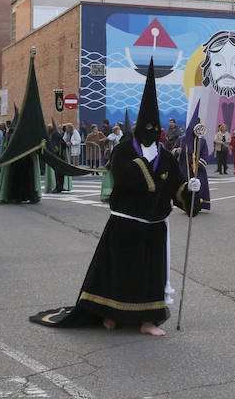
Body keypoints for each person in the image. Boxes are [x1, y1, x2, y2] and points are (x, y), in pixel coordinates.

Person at [30, 60, 199, 336]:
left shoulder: (167, 157)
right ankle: (110, 314)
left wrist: (189, 191)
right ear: (138, 127)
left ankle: (147, 321)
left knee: (149, 275)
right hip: (125, 223)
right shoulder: (123, 152)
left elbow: (175, 187)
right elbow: (127, 179)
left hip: (155, 226)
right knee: (118, 273)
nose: (151, 132)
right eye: (147, 126)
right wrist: (156, 182)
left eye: (156, 128)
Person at [174, 109, 211, 213]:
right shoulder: (182, 139)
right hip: (184, 169)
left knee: (199, 186)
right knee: (186, 187)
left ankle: (197, 205)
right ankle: (187, 205)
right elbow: (172, 150)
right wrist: (177, 151)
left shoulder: (202, 141)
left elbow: (205, 154)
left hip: (198, 170)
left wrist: (198, 164)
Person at [45, 122, 72, 194]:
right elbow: (63, 145)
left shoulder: (55, 135)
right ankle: (60, 186)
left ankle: (58, 187)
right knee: (60, 173)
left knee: (58, 173)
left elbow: (55, 147)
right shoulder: (56, 135)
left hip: (57, 157)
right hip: (59, 157)